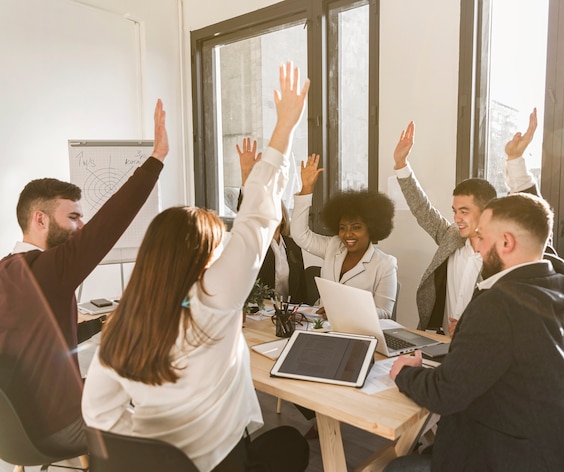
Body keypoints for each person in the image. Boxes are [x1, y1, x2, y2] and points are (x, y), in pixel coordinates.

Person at [81, 62, 310, 472]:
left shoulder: (120, 327)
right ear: (203, 258)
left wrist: (154, 452)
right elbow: (258, 217)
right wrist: (285, 127)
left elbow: (99, 413)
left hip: (156, 465)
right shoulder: (213, 299)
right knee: (292, 444)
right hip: (219, 461)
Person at [0, 100, 169, 458]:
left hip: (16, 431)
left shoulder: (8, 270)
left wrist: (100, 326)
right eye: (73, 217)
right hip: (61, 427)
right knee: (158, 400)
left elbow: (40, 338)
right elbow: (107, 227)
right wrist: (156, 158)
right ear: (40, 220)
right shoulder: (46, 272)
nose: (83, 226)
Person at [385, 193, 564, 472]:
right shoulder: (555, 281)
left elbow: (445, 395)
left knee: (397, 468)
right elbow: (540, 233)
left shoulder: (499, 305)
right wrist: (517, 165)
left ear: (506, 242)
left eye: (481, 237)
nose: (476, 247)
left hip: (517, 458)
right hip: (562, 451)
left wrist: (405, 372)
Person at [393, 108, 541, 335]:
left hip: (479, 347)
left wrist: (515, 161)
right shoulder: (451, 236)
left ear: (487, 212)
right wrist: (401, 164)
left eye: (464, 211)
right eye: (454, 211)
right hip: (438, 341)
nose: (456, 218)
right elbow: (422, 209)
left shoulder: (503, 254)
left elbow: (533, 222)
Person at [290, 153, 397, 319]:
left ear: (372, 228)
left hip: (358, 332)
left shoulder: (385, 264)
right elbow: (299, 235)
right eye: (342, 228)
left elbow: (384, 313)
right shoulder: (333, 246)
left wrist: (344, 310)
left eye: (356, 227)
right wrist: (306, 190)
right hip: (322, 328)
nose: (348, 234)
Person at [236, 138, 307, 303]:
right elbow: (246, 209)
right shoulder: (254, 244)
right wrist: (246, 173)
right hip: (262, 313)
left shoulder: (293, 245)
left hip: (290, 313)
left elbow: (301, 288)